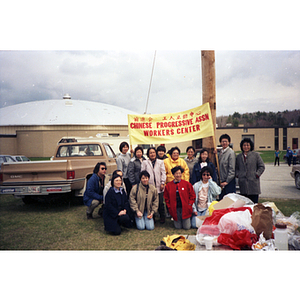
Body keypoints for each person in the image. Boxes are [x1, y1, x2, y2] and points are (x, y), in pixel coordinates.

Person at [141, 147, 167, 223]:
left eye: (153, 152)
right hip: (149, 186)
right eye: (150, 153)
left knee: (160, 202)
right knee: (150, 202)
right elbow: (143, 173)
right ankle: (153, 217)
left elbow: (163, 173)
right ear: (148, 154)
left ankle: (162, 217)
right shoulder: (145, 162)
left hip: (159, 186)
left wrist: (162, 183)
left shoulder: (160, 162)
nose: (152, 154)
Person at [235, 138, 265, 203]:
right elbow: (236, 168)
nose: (246, 147)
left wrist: (256, 174)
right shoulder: (239, 157)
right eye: (244, 145)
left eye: (248, 145)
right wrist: (238, 175)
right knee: (245, 204)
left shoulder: (256, 155)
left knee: (254, 204)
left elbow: (261, 166)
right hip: (243, 184)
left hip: (253, 184)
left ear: (250, 146)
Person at [217, 134, 236, 200]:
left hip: (228, 182)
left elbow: (232, 169)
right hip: (221, 182)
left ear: (229, 142)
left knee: (229, 202)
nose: (224, 143)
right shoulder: (220, 152)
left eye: (226, 141)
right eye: (222, 141)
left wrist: (227, 181)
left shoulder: (231, 153)